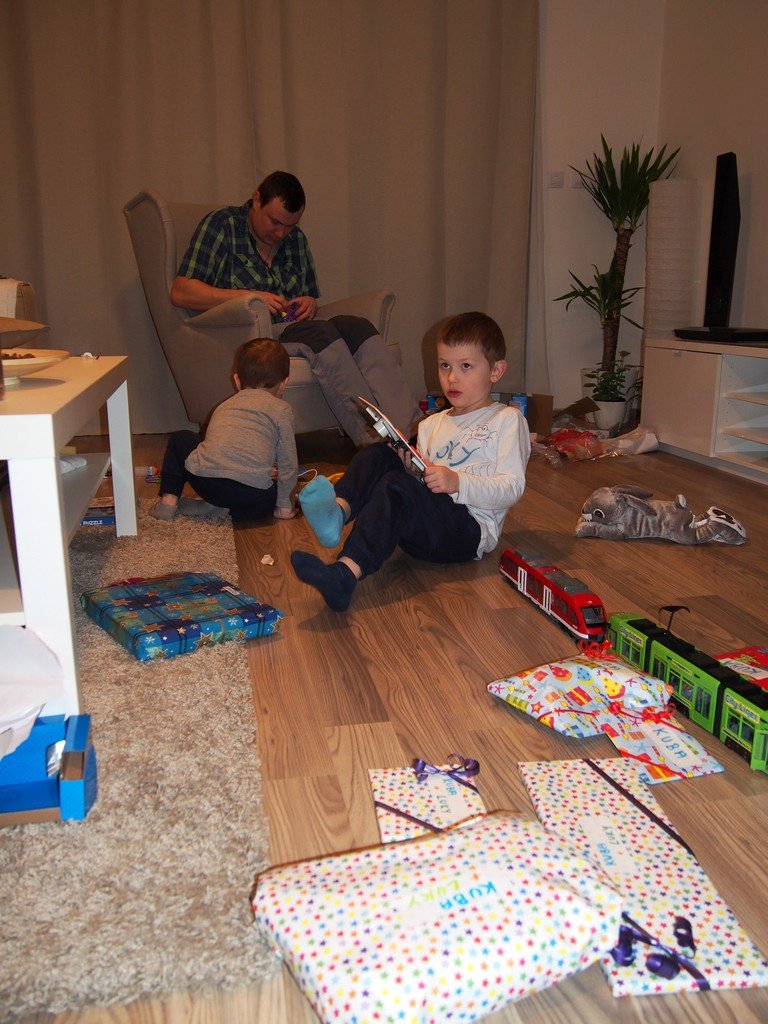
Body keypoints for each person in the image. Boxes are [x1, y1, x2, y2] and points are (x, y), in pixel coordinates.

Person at [290, 311, 531, 611]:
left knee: (397, 485)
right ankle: (338, 513)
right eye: (445, 365)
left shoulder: (507, 420)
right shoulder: (431, 424)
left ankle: (345, 574)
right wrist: (412, 469)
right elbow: (421, 486)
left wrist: (458, 482)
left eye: (466, 366)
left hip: (468, 531)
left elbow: (512, 487)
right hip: (424, 525)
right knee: (379, 454)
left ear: (496, 370)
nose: (452, 377)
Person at [170, 170, 419, 447]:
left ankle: (409, 432)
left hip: (295, 328)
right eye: (275, 222)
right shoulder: (222, 226)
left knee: (356, 326)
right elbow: (181, 291)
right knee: (319, 335)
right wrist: (248, 297)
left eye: (289, 226)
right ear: (256, 201)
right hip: (247, 336)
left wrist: (309, 303)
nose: (281, 233)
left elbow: (310, 299)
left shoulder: (296, 240)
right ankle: (374, 440)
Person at [150, 338, 298, 522]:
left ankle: (168, 502)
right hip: (253, 498)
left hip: (208, 486)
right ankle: (231, 508)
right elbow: (288, 463)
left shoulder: (224, 406)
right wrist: (285, 507)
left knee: (179, 438)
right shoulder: (282, 410)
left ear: (237, 380)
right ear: (284, 383)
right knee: (284, 490)